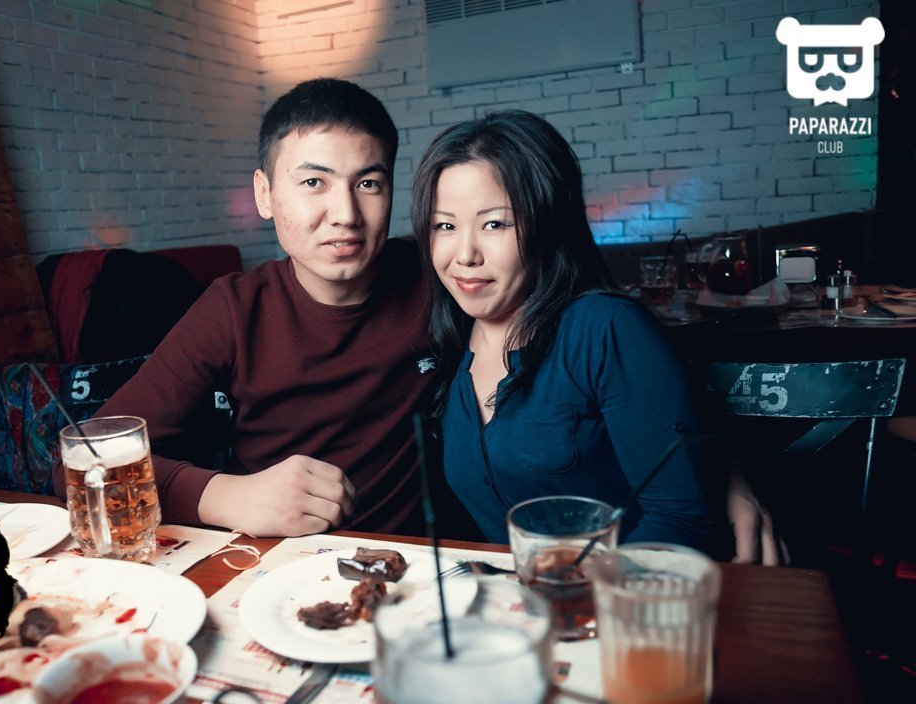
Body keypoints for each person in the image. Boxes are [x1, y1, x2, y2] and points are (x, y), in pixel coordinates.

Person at [54, 78, 439, 538]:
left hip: (419, 558)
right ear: (264, 194)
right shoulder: (234, 309)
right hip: (274, 558)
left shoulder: (438, 276)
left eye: (369, 183)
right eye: (313, 182)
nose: (346, 214)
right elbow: (81, 463)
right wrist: (226, 496)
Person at [411, 110, 711, 546]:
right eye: (445, 225)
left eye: (495, 223)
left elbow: (682, 521)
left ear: (546, 224)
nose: (465, 254)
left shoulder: (604, 330)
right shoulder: (442, 343)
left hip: (623, 585)